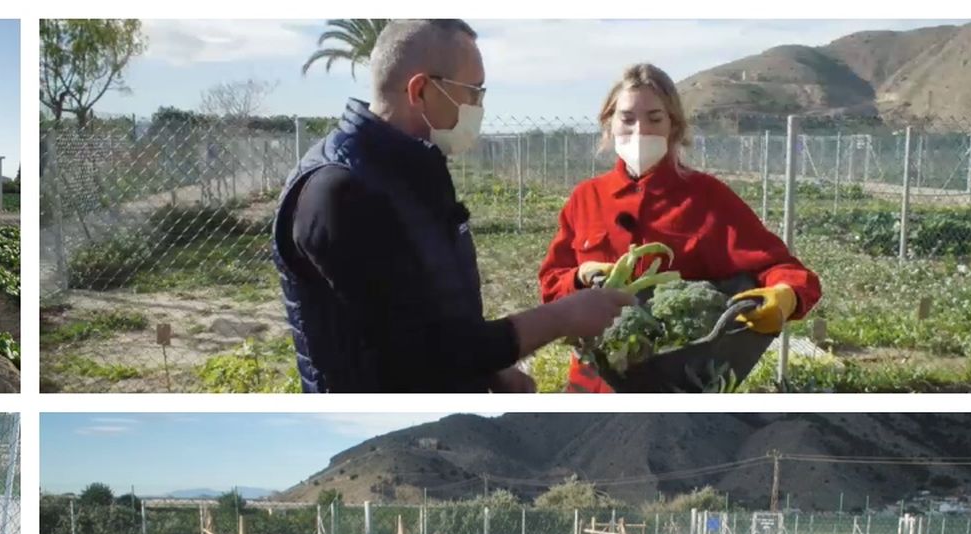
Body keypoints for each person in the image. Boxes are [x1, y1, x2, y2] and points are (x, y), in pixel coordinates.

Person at [272, 19, 633, 393]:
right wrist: (561, 317)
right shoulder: (337, 193)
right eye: (473, 91)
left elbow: (434, 311)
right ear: (421, 90)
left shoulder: (414, 171)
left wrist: (489, 373)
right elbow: (415, 355)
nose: (479, 105)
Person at [538, 63, 823, 393]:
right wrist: (579, 276)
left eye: (655, 118)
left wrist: (786, 295)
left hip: (676, 380)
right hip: (591, 380)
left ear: (674, 126)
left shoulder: (707, 197)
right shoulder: (585, 198)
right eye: (627, 118)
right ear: (609, 124)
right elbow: (550, 285)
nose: (640, 130)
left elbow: (782, 269)